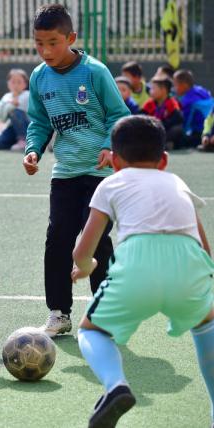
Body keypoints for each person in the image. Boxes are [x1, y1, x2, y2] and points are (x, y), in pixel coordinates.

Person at [72, 115, 214, 428]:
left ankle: (115, 385)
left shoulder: (110, 183)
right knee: (208, 324)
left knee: (90, 330)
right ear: (163, 160)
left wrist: (86, 268)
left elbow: (83, 250)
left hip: (137, 267)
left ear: (115, 161)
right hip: (188, 266)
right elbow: (205, 249)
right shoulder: (177, 182)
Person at [22, 4, 130, 338]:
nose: (46, 51)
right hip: (66, 172)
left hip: (101, 175)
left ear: (71, 38)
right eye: (39, 43)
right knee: (57, 239)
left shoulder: (95, 72)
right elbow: (39, 122)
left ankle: (105, 312)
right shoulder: (39, 77)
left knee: (95, 241)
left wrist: (110, 147)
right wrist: (32, 150)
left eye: (53, 42)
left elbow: (118, 114)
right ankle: (59, 312)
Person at [0, 69, 31, 151]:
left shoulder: (28, 95)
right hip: (13, 129)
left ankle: (24, 140)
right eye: (13, 82)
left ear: (25, 84)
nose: (16, 85)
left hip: (29, 129)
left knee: (15, 112)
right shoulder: (6, 97)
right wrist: (10, 105)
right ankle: (18, 141)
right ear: (8, 84)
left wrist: (10, 106)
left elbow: (17, 110)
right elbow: (0, 117)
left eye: (19, 82)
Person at [141, 74, 184, 149]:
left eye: (153, 88)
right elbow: (140, 115)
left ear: (163, 90)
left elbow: (178, 118)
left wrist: (161, 124)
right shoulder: (149, 103)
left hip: (165, 129)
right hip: (152, 129)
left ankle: (164, 143)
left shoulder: (172, 102)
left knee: (177, 129)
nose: (150, 91)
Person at [173, 69, 212, 147]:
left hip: (202, 133)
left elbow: (186, 125)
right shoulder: (201, 90)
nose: (174, 88)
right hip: (211, 130)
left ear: (184, 85)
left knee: (179, 138)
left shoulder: (188, 101)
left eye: (175, 85)